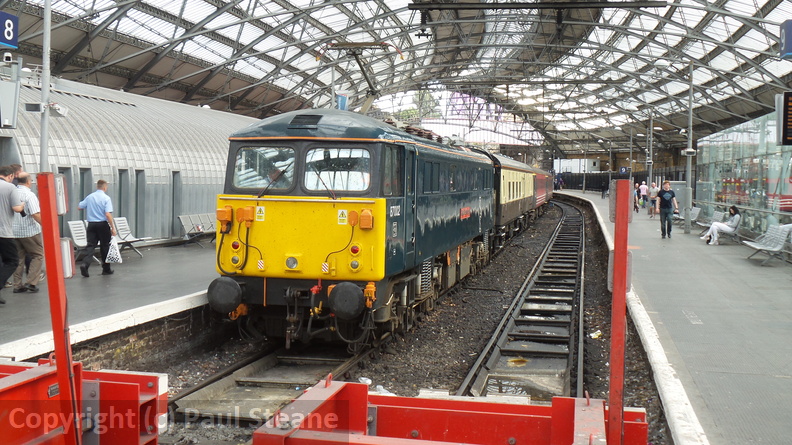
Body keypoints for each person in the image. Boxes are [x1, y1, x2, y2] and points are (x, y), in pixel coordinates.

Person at [11, 173, 44, 293]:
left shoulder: (12, 192)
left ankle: (17, 285)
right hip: (29, 231)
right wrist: (44, 225)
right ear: (28, 182)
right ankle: (31, 282)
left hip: (14, 231)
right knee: (38, 255)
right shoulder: (29, 195)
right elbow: (35, 214)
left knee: (19, 258)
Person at [78, 179, 116, 277]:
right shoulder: (106, 198)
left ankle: (85, 264)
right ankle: (106, 269)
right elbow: (107, 214)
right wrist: (113, 227)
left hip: (91, 224)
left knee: (90, 246)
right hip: (102, 224)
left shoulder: (90, 197)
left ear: (97, 187)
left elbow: (80, 206)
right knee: (105, 246)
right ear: (104, 187)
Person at [0, 166, 24, 304]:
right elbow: (16, 208)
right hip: (4, 232)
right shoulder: (10, 188)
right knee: (12, 261)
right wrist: (22, 205)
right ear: (10, 176)